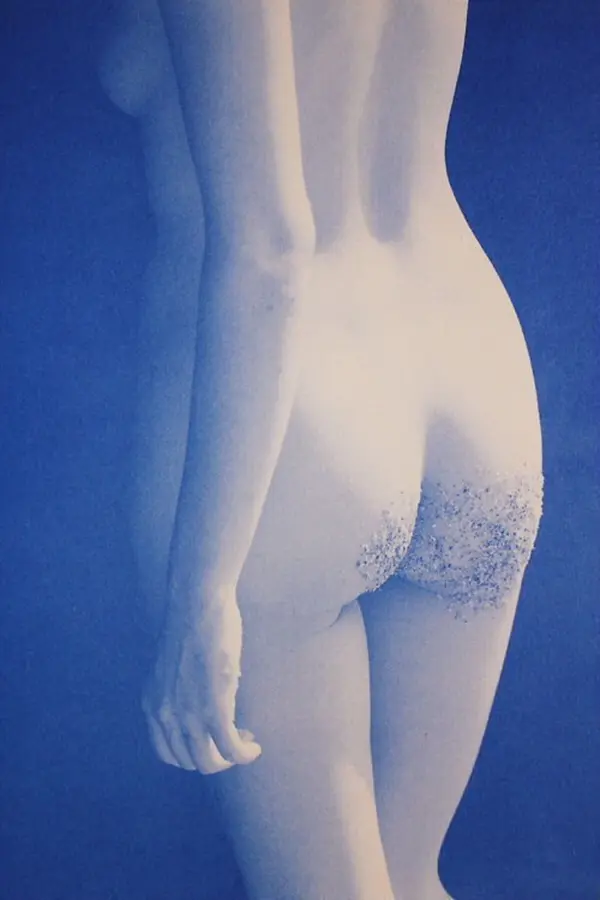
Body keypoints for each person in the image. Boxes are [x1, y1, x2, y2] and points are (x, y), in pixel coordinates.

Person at [99, 1, 543, 897]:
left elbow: (269, 246)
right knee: (411, 876)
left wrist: (202, 589)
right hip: (473, 369)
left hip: (301, 418)